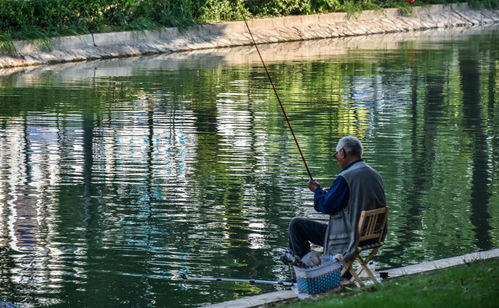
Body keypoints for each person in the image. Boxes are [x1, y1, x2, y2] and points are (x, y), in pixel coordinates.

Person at [286, 136, 386, 263]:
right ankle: (343, 272)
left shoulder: (346, 177)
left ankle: (307, 270)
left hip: (349, 237)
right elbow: (356, 199)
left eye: (336, 155)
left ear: (342, 153)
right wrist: (331, 193)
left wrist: (317, 191)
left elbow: (325, 206)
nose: (337, 159)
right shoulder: (374, 174)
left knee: (296, 225)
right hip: (373, 235)